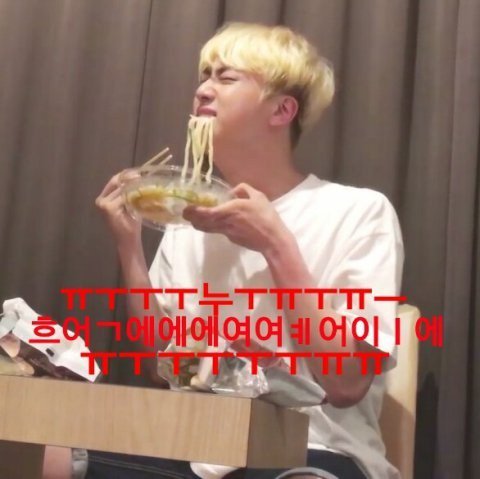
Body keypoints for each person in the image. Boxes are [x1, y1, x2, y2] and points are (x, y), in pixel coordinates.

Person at [44, 22, 403, 479]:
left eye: (226, 78)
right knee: (46, 454)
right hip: (195, 446)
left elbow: (347, 383)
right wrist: (128, 244)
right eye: (204, 76)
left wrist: (276, 244)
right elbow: (160, 366)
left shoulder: (358, 212)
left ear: (282, 110)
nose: (202, 91)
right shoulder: (188, 222)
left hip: (311, 451)